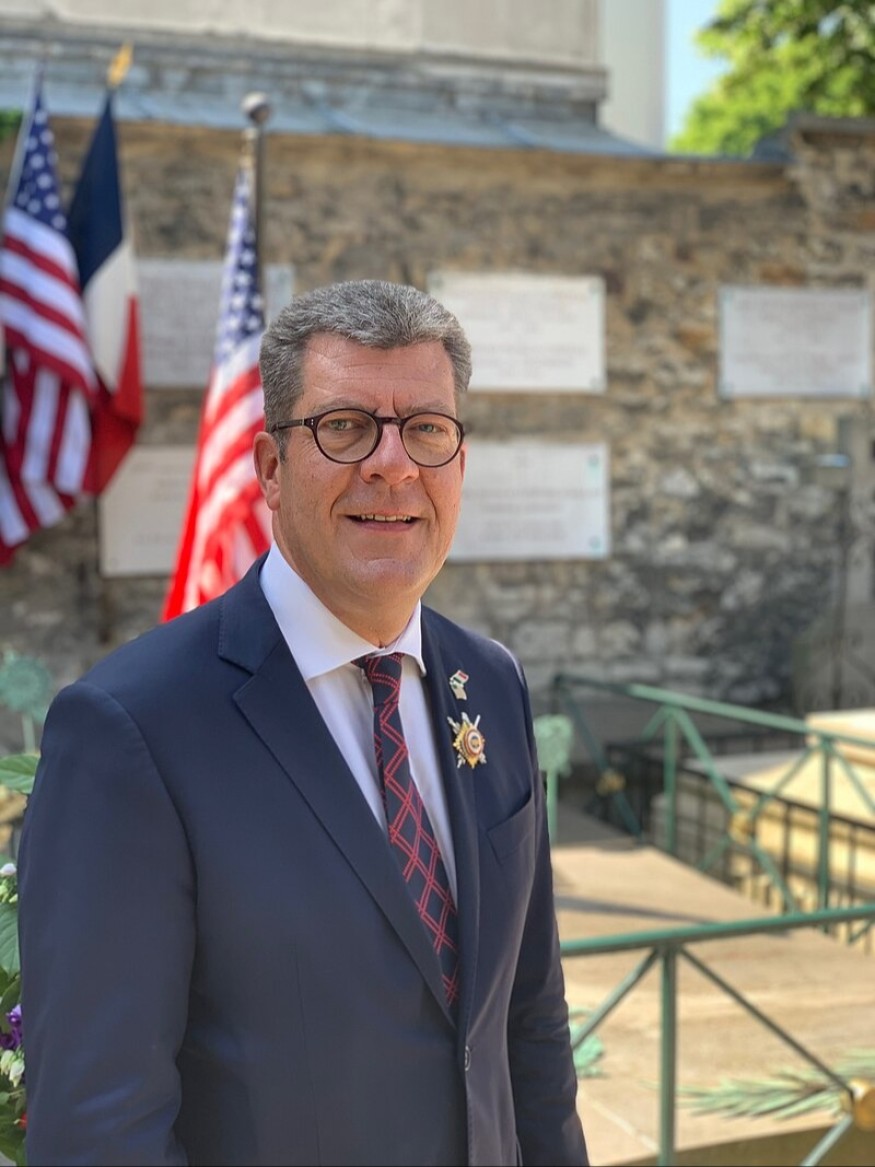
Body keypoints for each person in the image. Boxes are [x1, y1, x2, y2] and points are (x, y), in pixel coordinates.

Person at [19, 280, 589, 1167]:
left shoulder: (492, 682)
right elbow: (99, 1127)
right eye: (345, 426)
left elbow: (529, 1024)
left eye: (426, 429)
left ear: (459, 461)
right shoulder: (131, 730)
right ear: (271, 467)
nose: (393, 464)